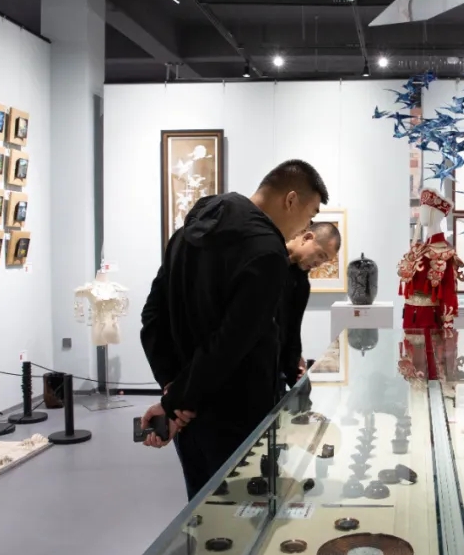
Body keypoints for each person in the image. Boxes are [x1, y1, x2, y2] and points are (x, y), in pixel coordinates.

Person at [139, 159, 328, 500]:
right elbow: (230, 344)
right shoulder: (267, 252)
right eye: (310, 214)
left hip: (189, 415)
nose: (306, 226)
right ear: (291, 200)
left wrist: (173, 393)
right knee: (244, 514)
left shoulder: (183, 236)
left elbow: (152, 317)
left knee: (201, 510)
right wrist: (179, 397)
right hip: (240, 415)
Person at [280, 222, 342, 386]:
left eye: (324, 260)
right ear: (307, 237)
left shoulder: (301, 283)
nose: (318, 264)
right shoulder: (270, 260)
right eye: (320, 255)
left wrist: (295, 364)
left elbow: (292, 330)